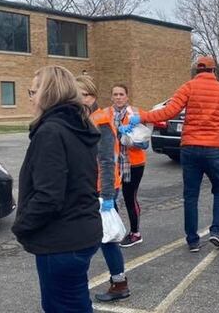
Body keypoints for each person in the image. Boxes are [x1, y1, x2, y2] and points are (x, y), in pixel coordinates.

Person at [124, 56, 219, 252]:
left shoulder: (188, 87)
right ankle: (216, 230)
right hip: (214, 149)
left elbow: (168, 111)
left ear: (197, 71)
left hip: (190, 148)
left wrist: (142, 117)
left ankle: (193, 240)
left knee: (191, 195)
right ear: (214, 71)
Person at [12, 66, 101, 313]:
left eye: (32, 91)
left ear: (48, 94)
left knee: (63, 307)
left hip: (62, 241)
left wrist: (21, 226)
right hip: (81, 232)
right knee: (76, 304)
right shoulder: (77, 126)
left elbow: (48, 196)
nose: (30, 97)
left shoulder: (52, 131)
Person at [75, 75, 131, 302]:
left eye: (83, 95)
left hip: (101, 190)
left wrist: (107, 196)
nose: (79, 99)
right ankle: (117, 283)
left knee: (106, 239)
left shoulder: (100, 121)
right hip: (89, 188)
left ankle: (119, 284)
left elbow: (108, 161)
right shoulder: (84, 118)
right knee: (96, 238)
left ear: (92, 97)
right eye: (76, 94)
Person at [105, 84, 148, 248]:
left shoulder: (135, 113)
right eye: (115, 94)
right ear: (111, 97)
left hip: (133, 163)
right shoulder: (105, 114)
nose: (118, 97)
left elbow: (144, 142)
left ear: (127, 96)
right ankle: (116, 229)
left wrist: (132, 137)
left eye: (121, 94)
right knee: (110, 197)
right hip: (112, 163)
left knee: (130, 198)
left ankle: (135, 233)